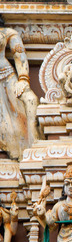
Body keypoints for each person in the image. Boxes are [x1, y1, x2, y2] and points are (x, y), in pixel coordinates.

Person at [0, 15, 40, 159]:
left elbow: (19, 55)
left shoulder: (7, 33)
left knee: (30, 100)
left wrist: (23, 79)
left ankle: (34, 147)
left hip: (6, 78)